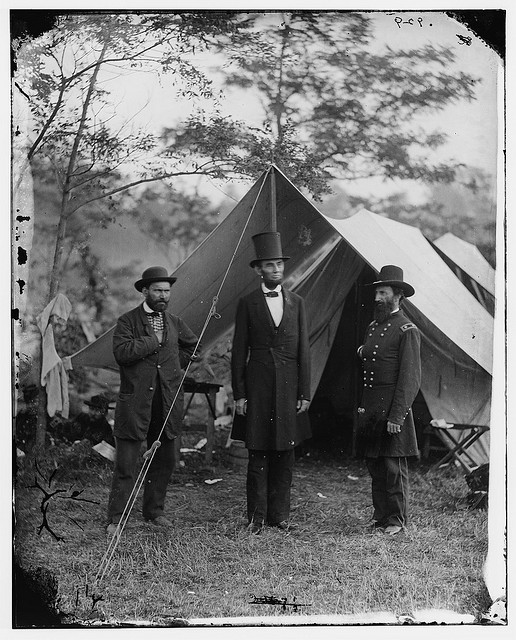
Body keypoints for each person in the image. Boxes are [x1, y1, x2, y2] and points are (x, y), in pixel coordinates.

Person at [106, 266, 199, 535]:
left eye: (167, 291)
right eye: (158, 290)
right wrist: (152, 341)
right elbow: (122, 353)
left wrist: (173, 364)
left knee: (165, 459)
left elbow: (193, 346)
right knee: (127, 462)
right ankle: (116, 518)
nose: (163, 296)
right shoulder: (127, 321)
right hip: (135, 403)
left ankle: (154, 512)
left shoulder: (175, 321)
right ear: (145, 291)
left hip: (167, 402)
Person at [231, 232, 311, 534]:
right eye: (270, 265)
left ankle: (280, 516)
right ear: (258, 270)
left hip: (290, 389)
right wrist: (240, 393)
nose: (276, 270)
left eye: (279, 264)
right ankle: (256, 517)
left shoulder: (298, 303)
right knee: (258, 451)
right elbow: (239, 351)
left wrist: (305, 392)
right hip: (258, 387)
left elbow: (305, 349)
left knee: (285, 453)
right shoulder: (247, 303)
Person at [356, 265, 421, 536]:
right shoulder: (373, 326)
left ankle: (397, 520)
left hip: (392, 406)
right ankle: (381, 516)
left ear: (398, 296)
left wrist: (397, 416)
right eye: (376, 293)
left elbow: (410, 378)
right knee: (375, 464)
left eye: (383, 292)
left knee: (393, 466)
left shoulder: (407, 330)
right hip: (372, 407)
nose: (377, 298)